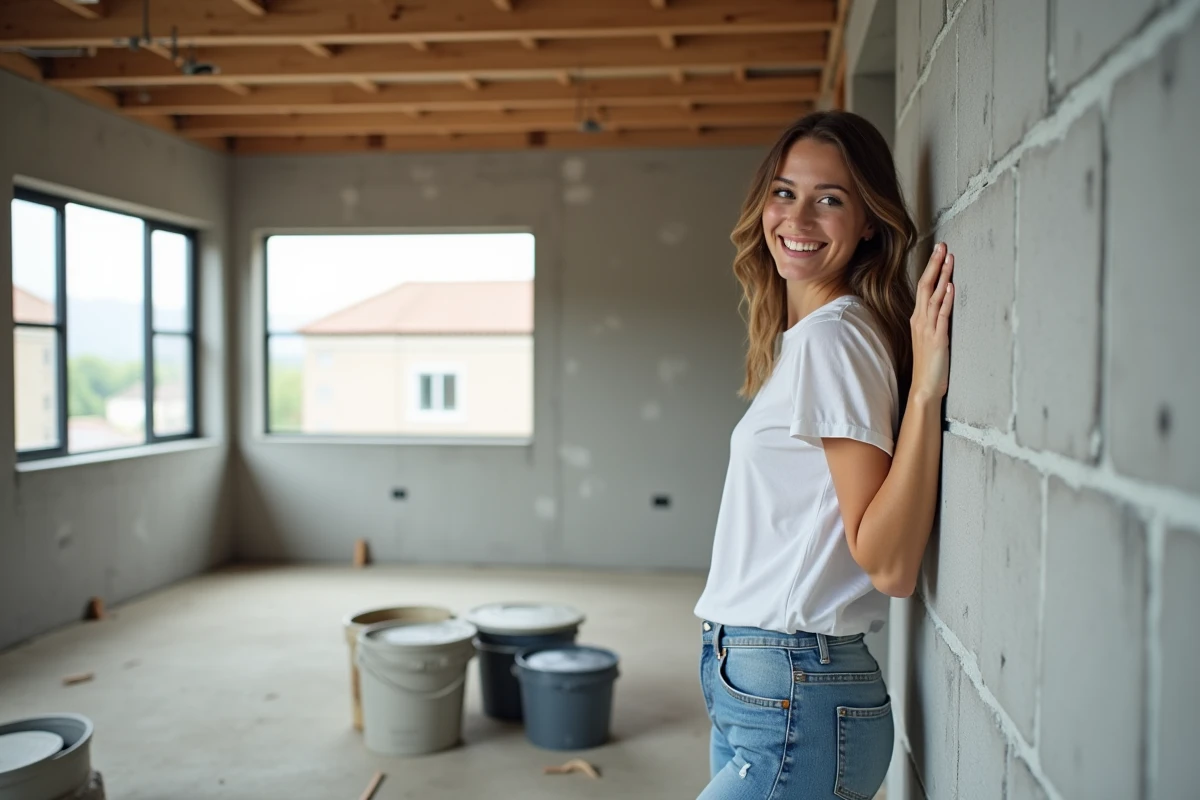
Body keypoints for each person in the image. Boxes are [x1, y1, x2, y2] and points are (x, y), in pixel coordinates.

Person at [693, 110, 955, 799]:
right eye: (785, 192)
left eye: (829, 199)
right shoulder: (805, 339)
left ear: (869, 220)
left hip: (794, 687)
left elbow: (890, 563)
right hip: (758, 680)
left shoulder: (833, 341)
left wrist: (927, 393)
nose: (798, 217)